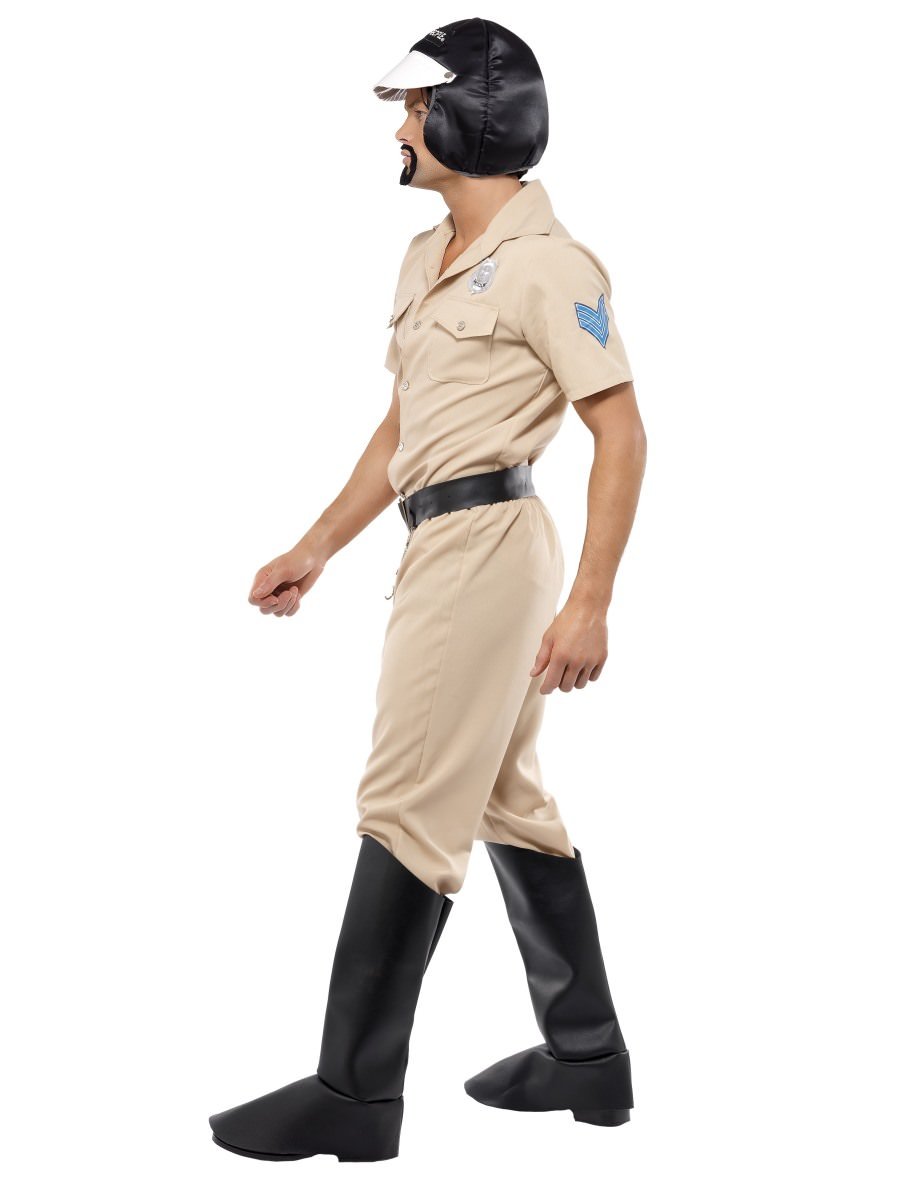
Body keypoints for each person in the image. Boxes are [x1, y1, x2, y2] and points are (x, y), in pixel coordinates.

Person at [208, 18, 647, 1163]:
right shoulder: (425, 256)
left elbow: (621, 431)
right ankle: (589, 1059)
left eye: (415, 109)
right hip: (441, 538)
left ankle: (354, 1094)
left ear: (471, 115)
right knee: (507, 797)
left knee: (406, 798)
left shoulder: (552, 264)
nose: (399, 129)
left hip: (491, 547)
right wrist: (317, 545)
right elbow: (403, 425)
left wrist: (591, 601)